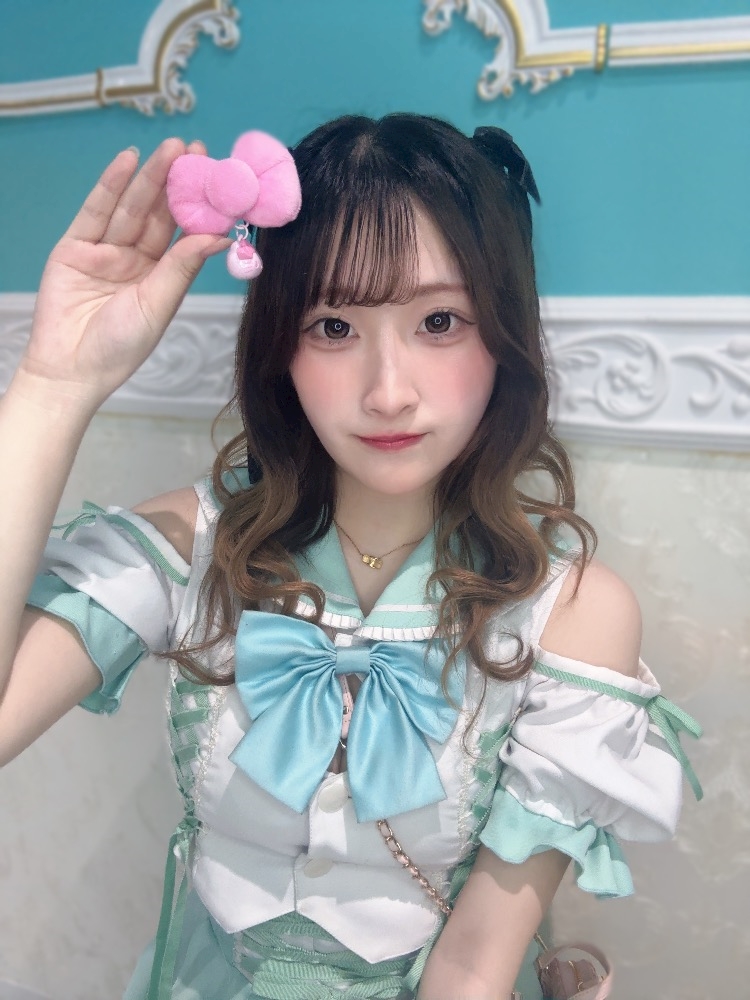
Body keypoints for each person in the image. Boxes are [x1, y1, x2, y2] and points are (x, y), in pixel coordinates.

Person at [0, 114, 701, 1000]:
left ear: (504, 334)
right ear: (281, 346)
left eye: (439, 320)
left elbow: (472, 969)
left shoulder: (571, 610)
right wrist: (53, 386)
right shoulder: (189, 546)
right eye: (333, 325)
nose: (388, 391)